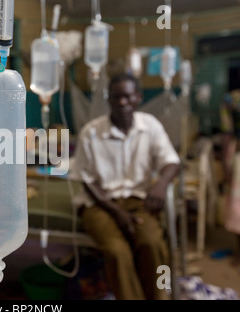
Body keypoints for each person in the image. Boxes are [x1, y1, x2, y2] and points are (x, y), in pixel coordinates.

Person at [69, 73, 181, 300]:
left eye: (128, 96)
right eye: (117, 97)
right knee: (117, 252)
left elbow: (171, 161)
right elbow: (86, 179)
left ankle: (160, 296)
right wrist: (117, 212)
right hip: (99, 204)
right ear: (109, 99)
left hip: (138, 201)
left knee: (152, 244)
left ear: (138, 97)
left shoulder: (150, 126)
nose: (122, 102)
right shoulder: (91, 132)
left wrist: (159, 186)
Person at [219, 89, 240, 269]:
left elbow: (227, 132)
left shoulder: (230, 99)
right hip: (238, 156)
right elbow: (227, 132)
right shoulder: (230, 100)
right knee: (237, 205)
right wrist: (225, 163)